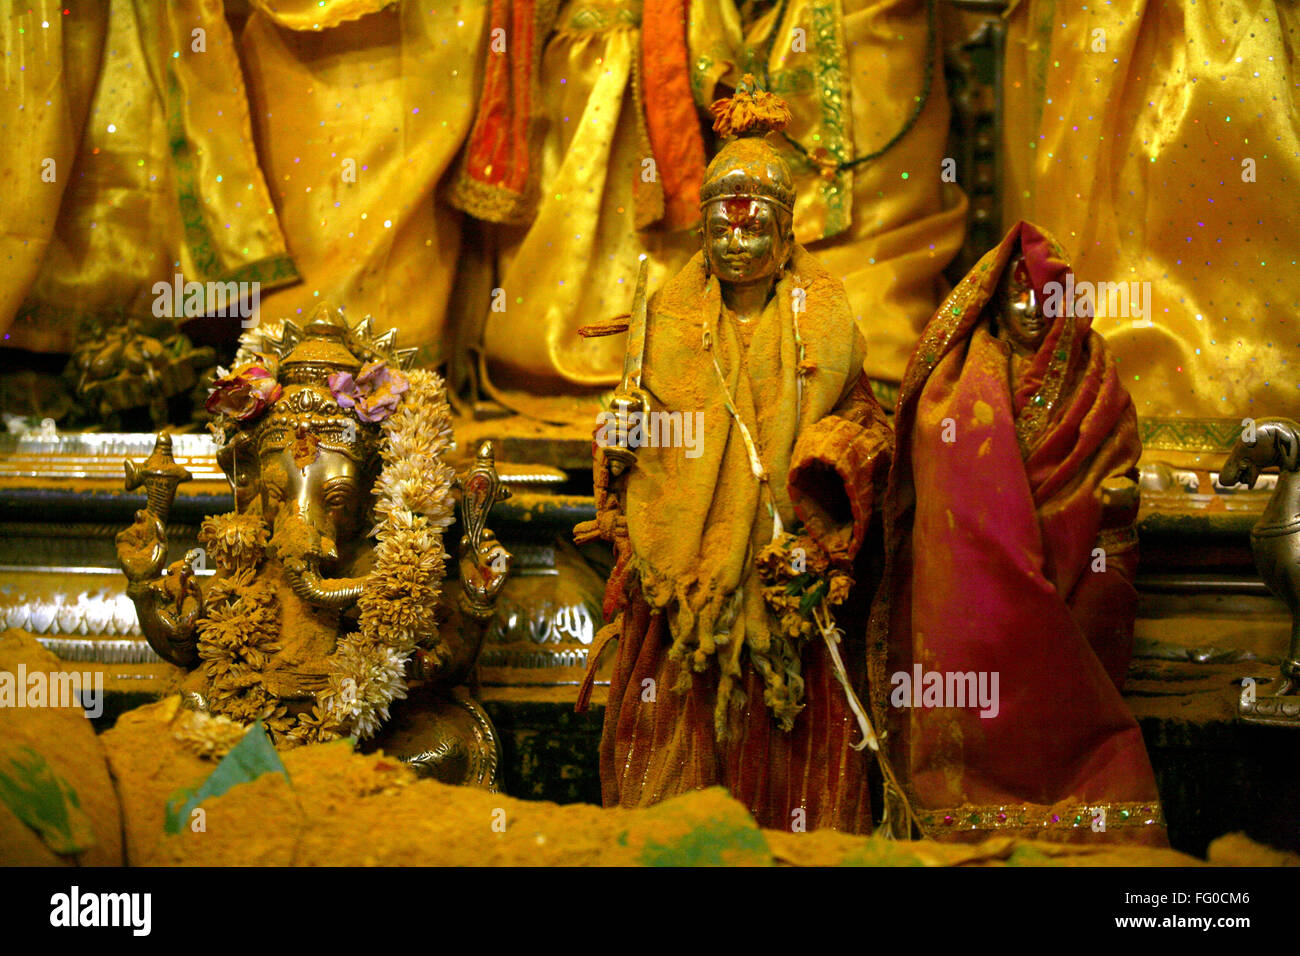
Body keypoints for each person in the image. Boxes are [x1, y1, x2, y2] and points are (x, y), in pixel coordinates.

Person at [575, 81, 894, 833]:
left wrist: (829, 492)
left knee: (797, 784)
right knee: (672, 785)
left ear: (784, 237)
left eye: (754, 229)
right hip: (688, 601)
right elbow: (642, 451)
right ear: (703, 233)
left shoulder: (829, 321)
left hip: (789, 589)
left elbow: (866, 432)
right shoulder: (668, 323)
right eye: (721, 225)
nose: (736, 241)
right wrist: (621, 433)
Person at [869, 220, 1167, 843]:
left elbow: (1117, 460)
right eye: (1019, 294)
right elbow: (941, 480)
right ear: (994, 302)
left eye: (1048, 295)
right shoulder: (953, 387)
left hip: (1077, 574)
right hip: (980, 598)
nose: (1034, 309)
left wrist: (1105, 501)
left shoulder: (1097, 375)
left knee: (1075, 706)